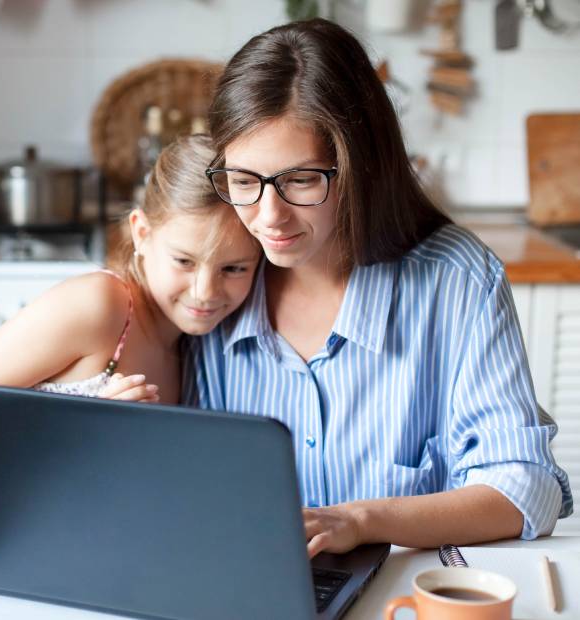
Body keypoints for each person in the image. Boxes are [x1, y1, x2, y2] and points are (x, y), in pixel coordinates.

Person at [185, 18, 573, 559]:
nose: (267, 216)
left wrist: (362, 519)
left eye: (300, 180)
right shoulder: (213, 280)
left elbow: (524, 488)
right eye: (244, 181)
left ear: (360, 166)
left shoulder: (457, 282)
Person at [0, 134, 263, 619]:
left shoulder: (196, 346)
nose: (206, 291)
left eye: (234, 268)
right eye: (183, 261)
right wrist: (85, 432)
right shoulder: (101, 307)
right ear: (141, 233)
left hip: (59, 570)